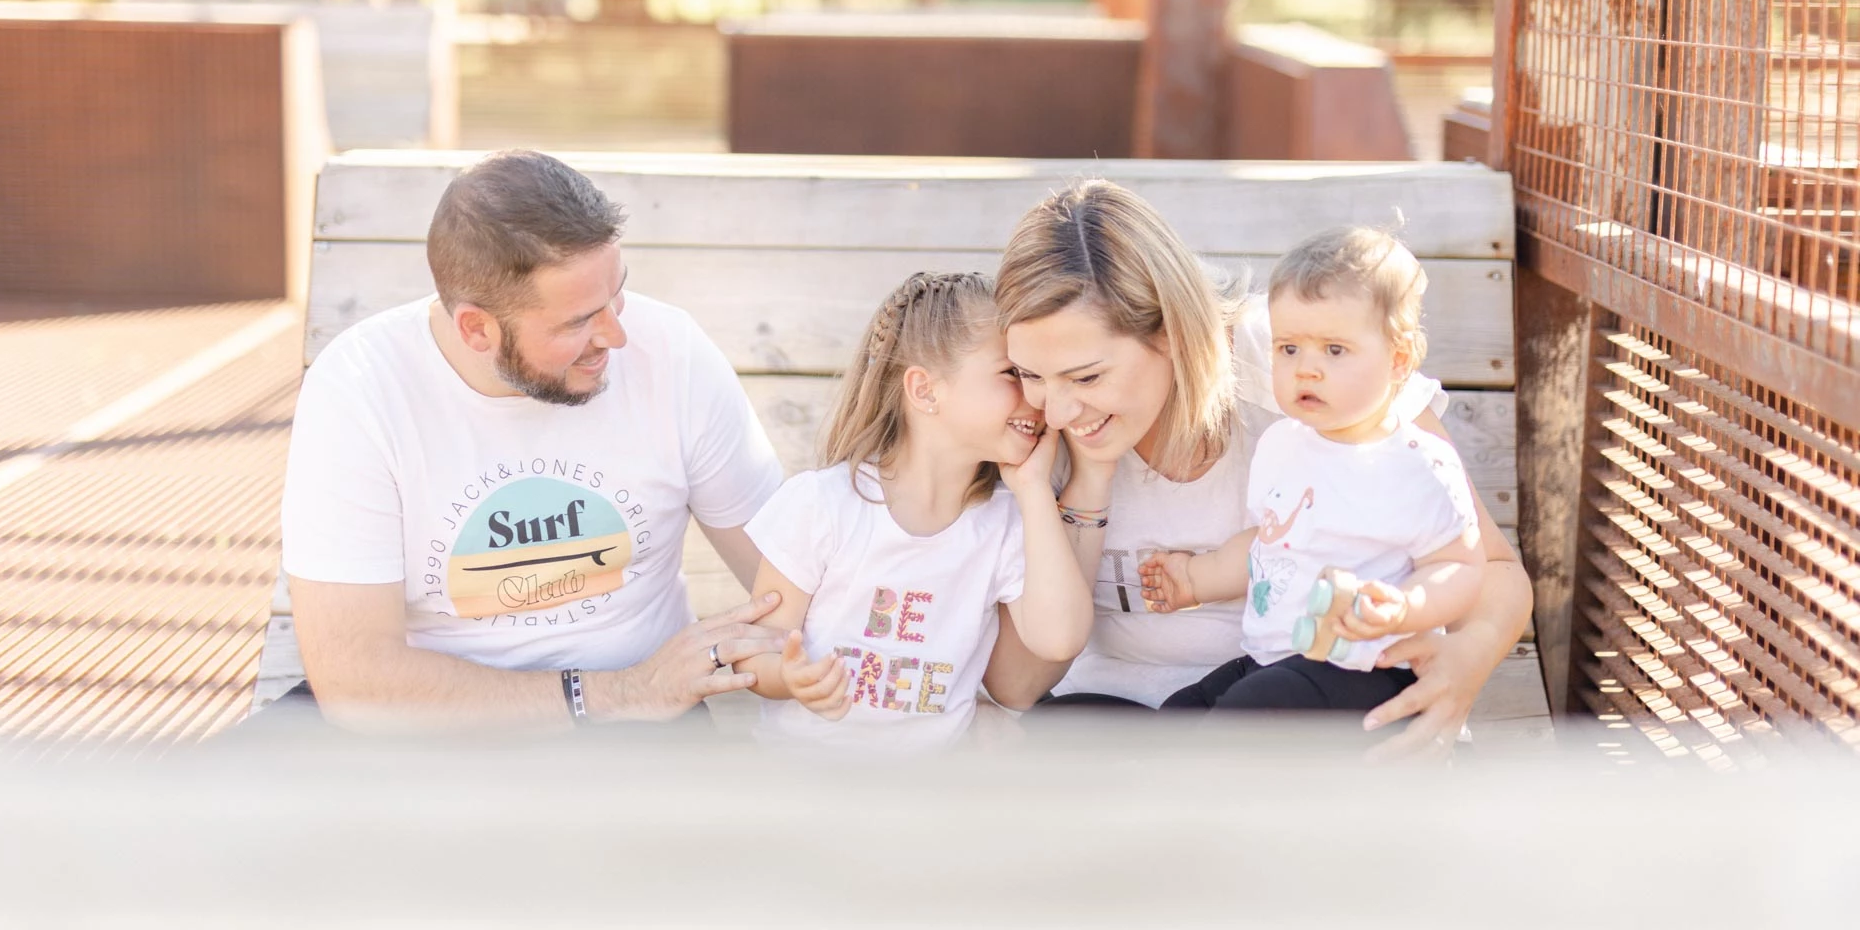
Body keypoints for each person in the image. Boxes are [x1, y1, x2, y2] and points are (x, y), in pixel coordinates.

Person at [981, 181, 1533, 756]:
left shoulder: (1301, 362)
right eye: (1031, 374)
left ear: (1170, 333)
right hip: (1153, 719)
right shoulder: (1032, 423)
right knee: (1051, 744)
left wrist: (1466, 663)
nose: (1061, 410)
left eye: (1088, 377)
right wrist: (1088, 481)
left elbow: (1490, 566)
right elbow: (1019, 687)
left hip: (1317, 705)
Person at [279, 150, 788, 732]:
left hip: (640, 726)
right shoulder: (362, 387)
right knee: (211, 799)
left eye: (616, 294)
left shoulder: (672, 352)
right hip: (429, 720)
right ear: (477, 328)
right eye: (576, 323)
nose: (616, 336)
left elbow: (787, 578)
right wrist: (611, 694)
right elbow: (356, 678)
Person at [1135, 226, 1485, 714]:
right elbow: (1269, 541)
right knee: (1182, 713)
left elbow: (1461, 567)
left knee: (1244, 716)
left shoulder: (1416, 461)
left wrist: (1406, 605)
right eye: (1289, 348)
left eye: (1334, 350)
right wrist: (1196, 576)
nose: (1306, 369)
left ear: (1398, 360)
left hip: (1366, 670)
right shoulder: (1282, 443)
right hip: (1272, 660)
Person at [743, 272, 1092, 749]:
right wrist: (789, 676)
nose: (1035, 396)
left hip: (927, 795)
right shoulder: (821, 505)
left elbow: (1059, 641)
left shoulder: (1009, 521)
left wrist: (1033, 490)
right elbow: (753, 654)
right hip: (809, 780)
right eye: (1013, 373)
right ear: (925, 390)